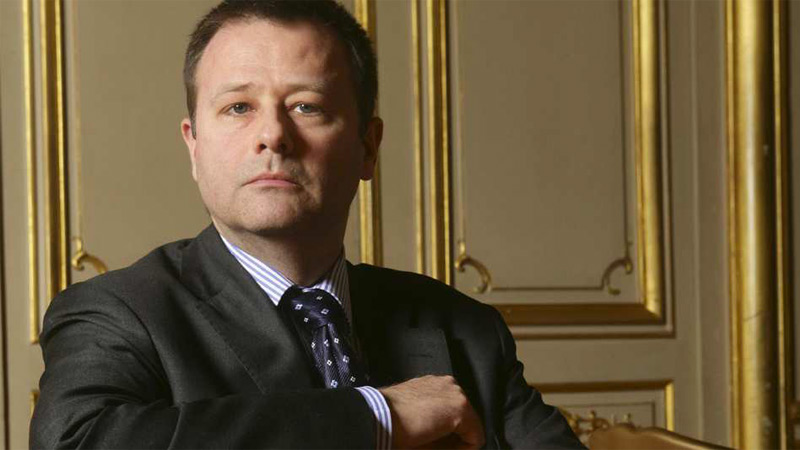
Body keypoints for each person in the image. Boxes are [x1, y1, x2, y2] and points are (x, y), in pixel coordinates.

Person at [30, 1, 584, 448]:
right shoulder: (116, 314)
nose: (273, 134)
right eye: (239, 107)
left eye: (306, 106)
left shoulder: (466, 329)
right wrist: (377, 414)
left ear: (368, 148)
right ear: (193, 146)